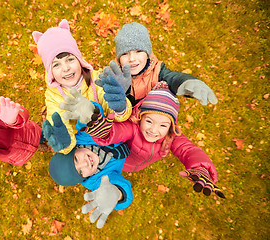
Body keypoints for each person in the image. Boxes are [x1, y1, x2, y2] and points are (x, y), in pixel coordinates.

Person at [62, 83, 225, 198]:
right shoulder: (133, 129)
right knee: (119, 166)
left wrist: (201, 167)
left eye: (163, 124)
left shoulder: (171, 137)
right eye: (149, 121)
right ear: (140, 118)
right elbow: (115, 132)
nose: (154, 130)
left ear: (171, 126)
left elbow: (189, 150)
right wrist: (101, 129)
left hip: (140, 165)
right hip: (122, 162)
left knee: (133, 167)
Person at [32, 19, 133, 154]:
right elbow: (60, 122)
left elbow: (119, 116)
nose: (66, 68)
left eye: (70, 59)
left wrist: (120, 107)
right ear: (50, 72)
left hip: (106, 131)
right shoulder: (52, 96)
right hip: (82, 141)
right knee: (58, 168)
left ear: (79, 61)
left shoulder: (97, 79)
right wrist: (64, 141)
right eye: (56, 65)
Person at [45, 97, 132, 229]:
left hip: (124, 121)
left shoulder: (84, 138)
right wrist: (117, 194)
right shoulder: (97, 180)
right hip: (131, 151)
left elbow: (91, 122)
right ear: (84, 178)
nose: (85, 163)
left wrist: (89, 113)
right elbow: (120, 187)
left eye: (76, 159)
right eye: (81, 171)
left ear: (75, 148)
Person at [99, 22, 218, 107]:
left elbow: (172, 78)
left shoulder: (157, 71)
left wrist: (186, 82)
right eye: (125, 54)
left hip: (150, 125)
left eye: (138, 51)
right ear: (119, 59)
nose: (132, 58)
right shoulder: (115, 75)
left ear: (148, 54)